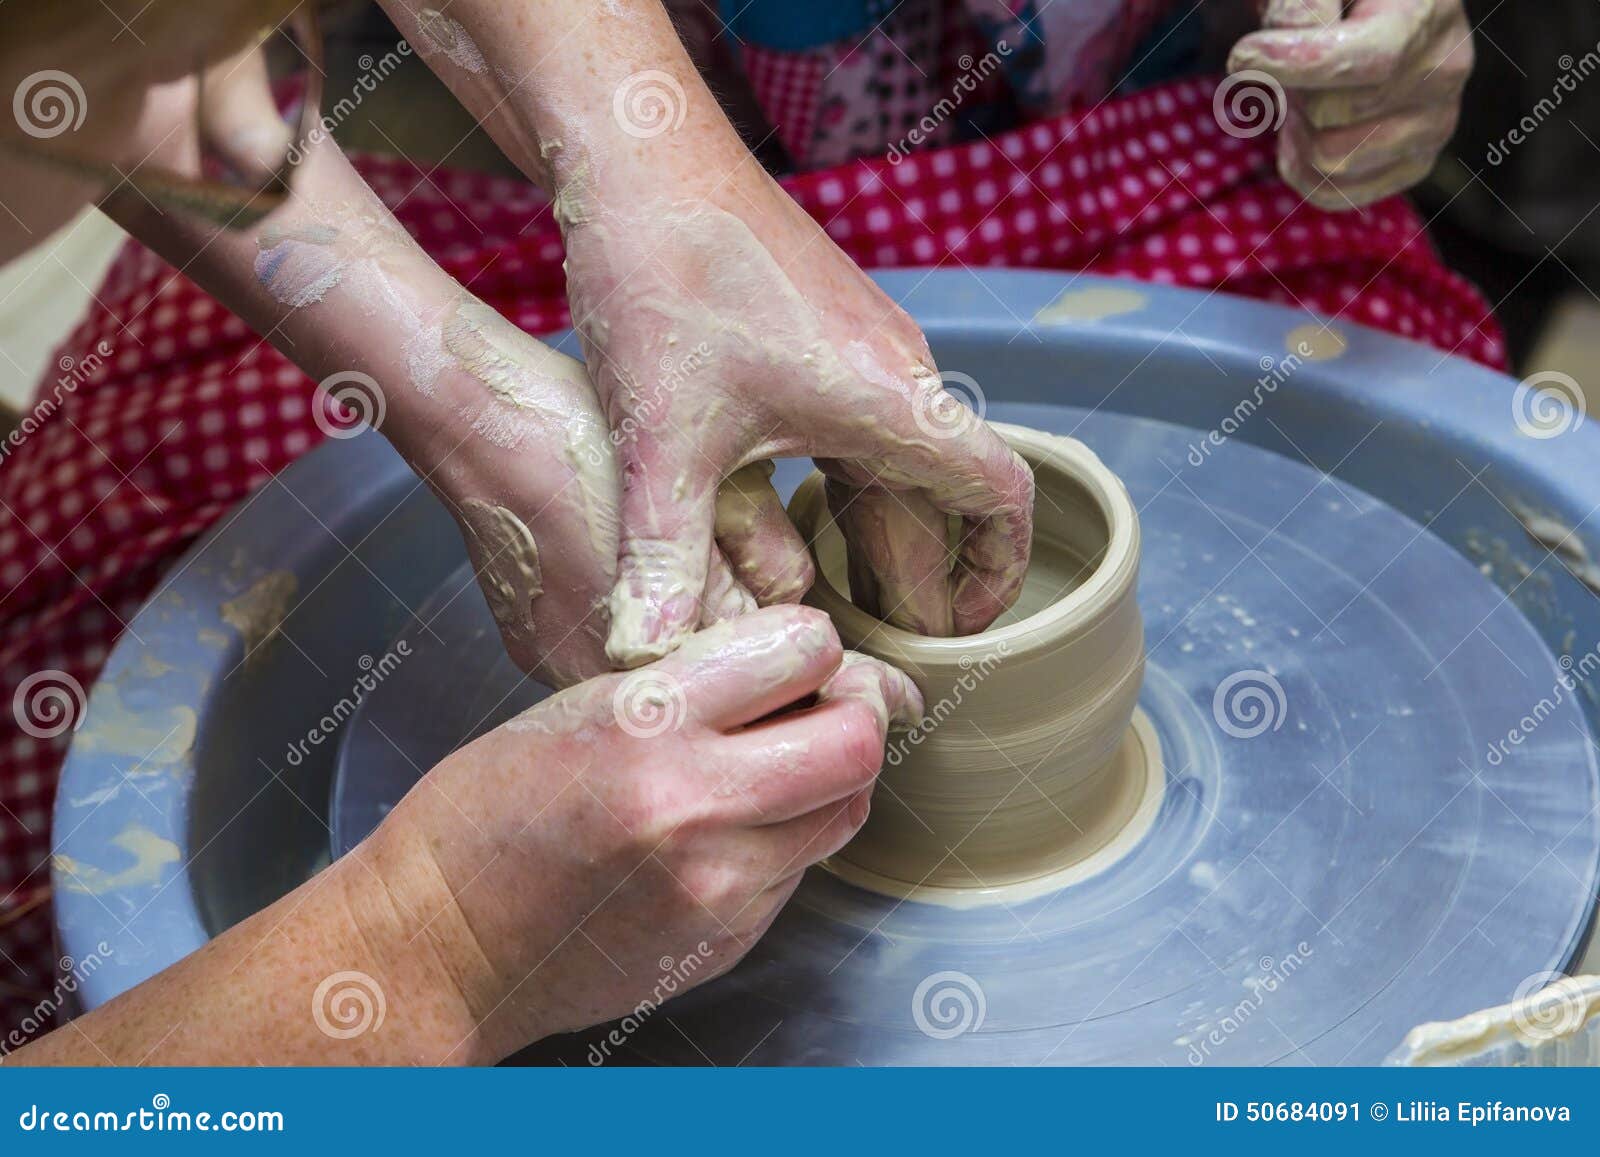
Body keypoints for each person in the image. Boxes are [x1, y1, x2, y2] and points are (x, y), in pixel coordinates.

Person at [0, 0, 1473, 1062]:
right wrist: (432, 941)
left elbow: (167, 77)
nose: (252, 80)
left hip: (1089, 136)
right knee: (108, 548)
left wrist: (627, 213)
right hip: (468, 196)